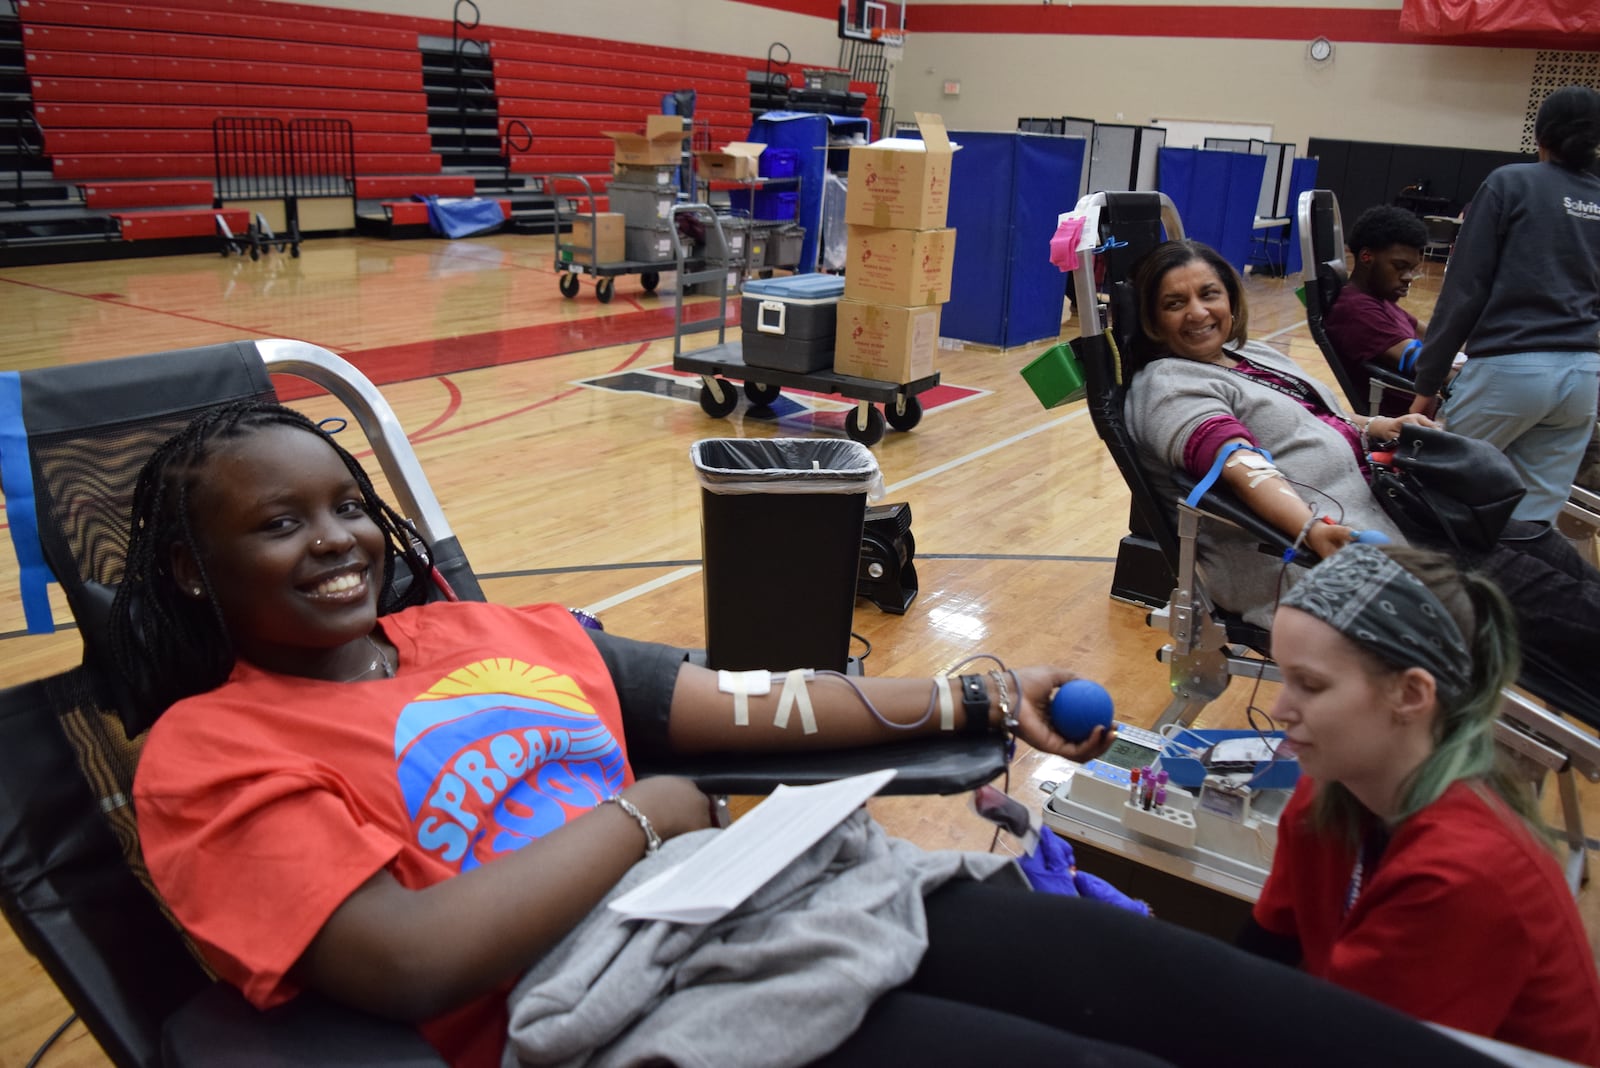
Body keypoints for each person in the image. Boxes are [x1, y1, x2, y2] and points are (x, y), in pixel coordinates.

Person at [110, 401, 1508, 1068]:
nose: (337, 539)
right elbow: (407, 964)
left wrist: (964, 697)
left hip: (776, 897)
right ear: (189, 571)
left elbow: (741, 702)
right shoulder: (207, 752)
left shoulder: (496, 634)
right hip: (633, 1003)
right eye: (276, 523)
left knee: (1219, 1006)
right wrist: (648, 815)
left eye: (344, 503)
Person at [1121, 238, 1600, 684]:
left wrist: (1375, 426)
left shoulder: (1245, 354)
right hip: (1332, 558)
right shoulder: (1169, 385)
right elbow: (1239, 460)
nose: (1198, 313)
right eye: (1174, 304)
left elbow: (1314, 417)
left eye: (1210, 294)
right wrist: (1311, 530)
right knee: (1555, 603)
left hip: (1397, 519)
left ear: (1231, 298)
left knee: (1544, 544)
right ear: (1152, 321)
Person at [1240, 543, 1600, 1065]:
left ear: (1411, 694)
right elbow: (1261, 957)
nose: (1279, 709)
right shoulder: (1329, 795)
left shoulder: (1464, 875)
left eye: (1310, 685)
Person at [1409, 85, 1600, 524]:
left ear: (1540, 135)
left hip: (1511, 370)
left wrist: (1427, 384)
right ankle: (1509, 593)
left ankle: (1432, 591)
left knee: (1436, 494)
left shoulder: (1510, 182)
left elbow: (1463, 292)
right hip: (1583, 377)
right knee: (1532, 520)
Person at [1321, 204, 1431, 417]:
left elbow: (1436, 337)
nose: (1408, 277)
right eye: (1400, 266)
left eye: (1412, 270)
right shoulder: (1356, 311)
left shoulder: (1381, 300)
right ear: (1366, 257)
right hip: (1409, 428)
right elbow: (1427, 366)